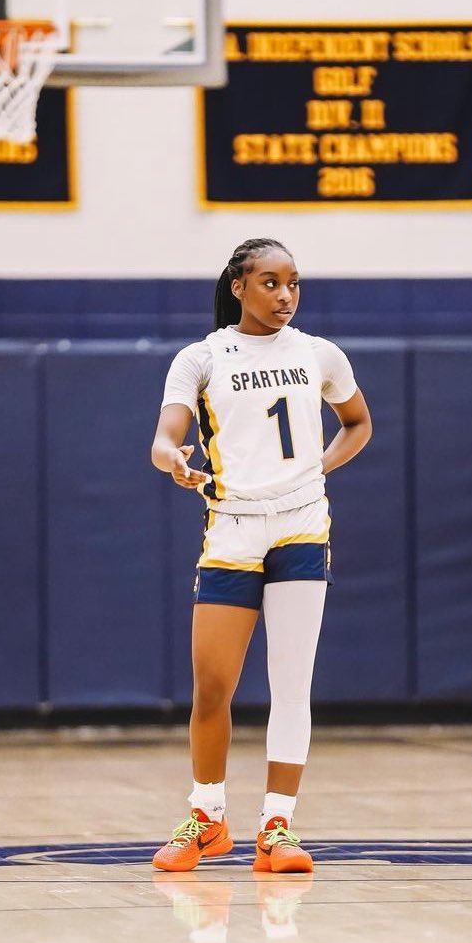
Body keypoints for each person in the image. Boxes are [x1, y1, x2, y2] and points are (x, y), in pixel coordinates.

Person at [150, 238, 372, 873]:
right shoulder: (200, 358)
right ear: (239, 287)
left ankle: (277, 826)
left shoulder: (319, 354)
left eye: (293, 283)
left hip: (301, 526)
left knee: (291, 685)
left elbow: (358, 422)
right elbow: (166, 437)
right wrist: (173, 459)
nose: (286, 295)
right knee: (212, 687)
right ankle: (208, 817)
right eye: (270, 283)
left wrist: (318, 468)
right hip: (232, 528)